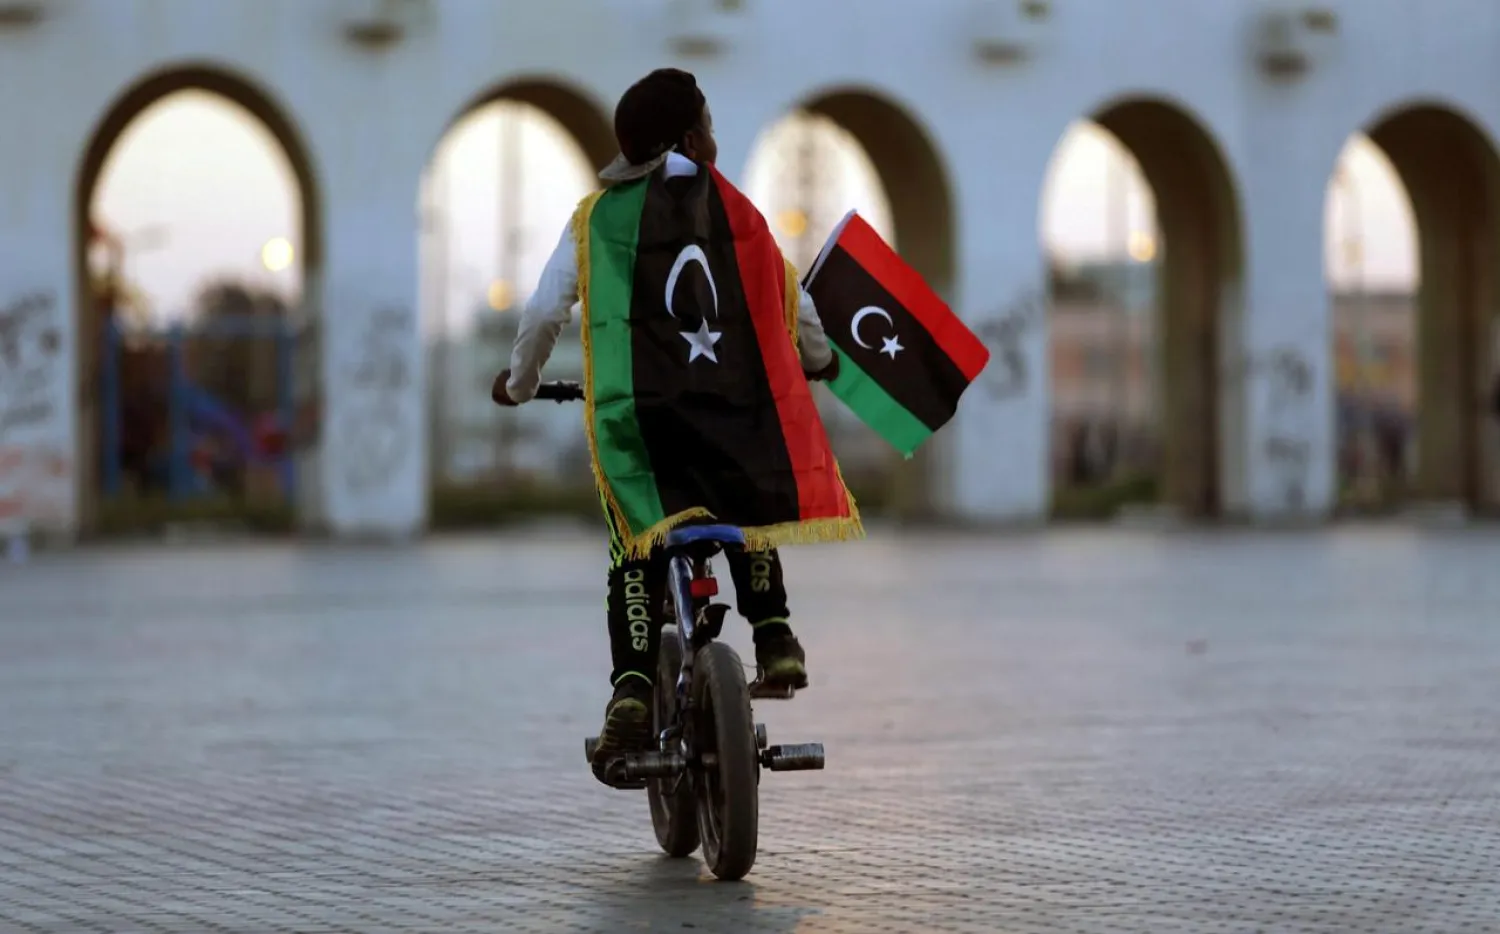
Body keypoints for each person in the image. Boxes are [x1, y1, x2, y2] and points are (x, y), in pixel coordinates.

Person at [491, 68, 843, 785]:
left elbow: (542, 314)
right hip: (727, 419)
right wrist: (822, 358)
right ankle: (774, 636)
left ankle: (631, 687)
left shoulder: (598, 218)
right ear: (688, 138)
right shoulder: (732, 210)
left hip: (642, 430)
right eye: (708, 124)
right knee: (743, 498)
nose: (714, 136)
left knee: (634, 541)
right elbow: (792, 300)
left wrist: (520, 383)